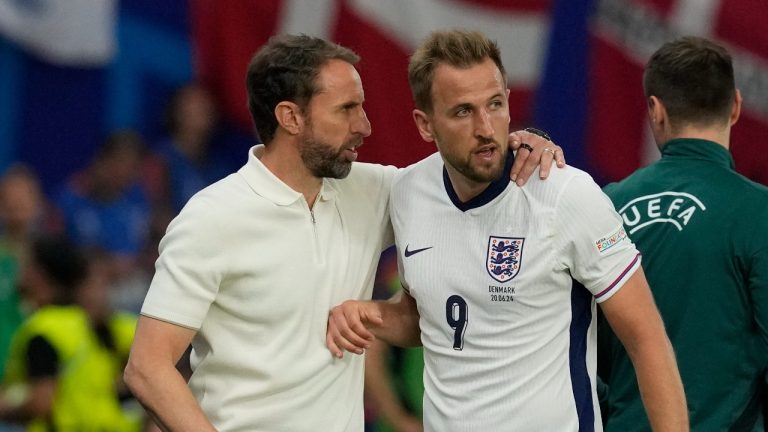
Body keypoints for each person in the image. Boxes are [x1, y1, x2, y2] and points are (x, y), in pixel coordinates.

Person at [123, 33, 564, 431]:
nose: (365, 127)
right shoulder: (211, 218)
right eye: (346, 109)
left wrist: (526, 139)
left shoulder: (375, 190)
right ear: (290, 117)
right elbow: (148, 368)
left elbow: (468, 162)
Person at [326, 29, 688, 431]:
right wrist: (370, 315)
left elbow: (647, 340)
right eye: (463, 111)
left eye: (494, 104)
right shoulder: (407, 194)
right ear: (425, 125)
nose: (485, 127)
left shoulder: (566, 195)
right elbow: (431, 317)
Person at [596, 36, 768, 431]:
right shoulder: (760, 212)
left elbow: (578, 346)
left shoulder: (605, 207)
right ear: (736, 106)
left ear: (655, 111)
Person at [0, 235, 141, 431]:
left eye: (27, 264)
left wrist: (5, 409)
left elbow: (42, 401)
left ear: (39, 274)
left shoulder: (44, 329)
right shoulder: (94, 321)